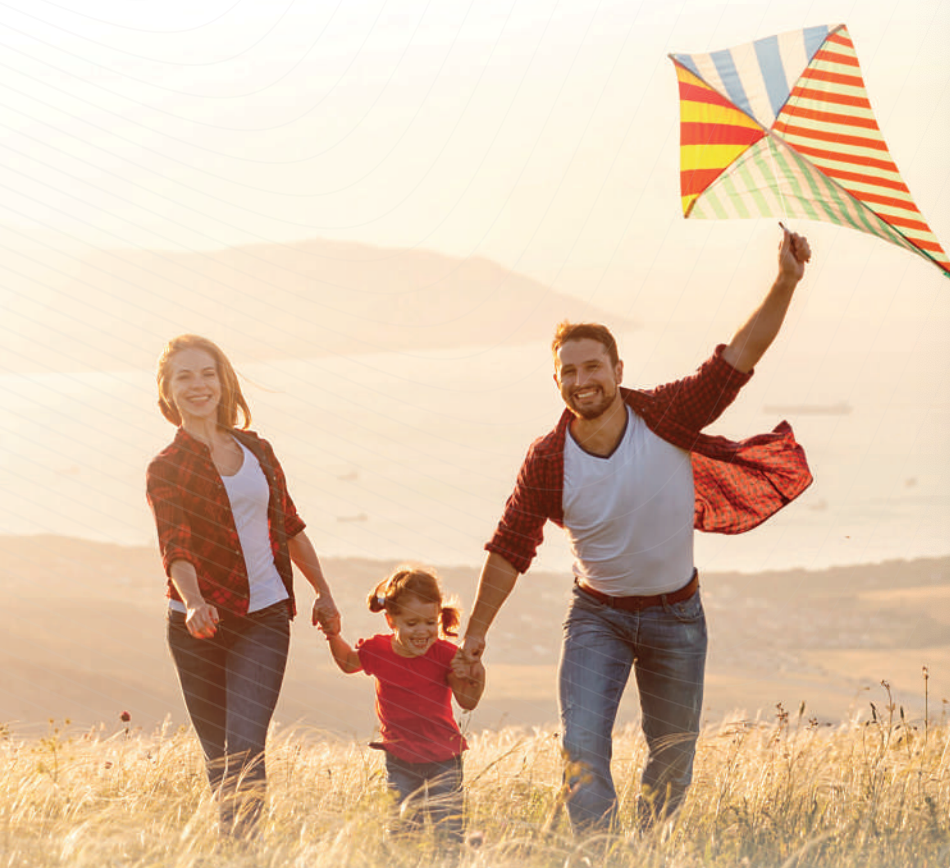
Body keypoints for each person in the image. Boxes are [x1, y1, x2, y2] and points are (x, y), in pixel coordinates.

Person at [459, 229, 814, 834]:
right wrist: (473, 640)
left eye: (592, 366)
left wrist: (785, 280)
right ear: (557, 382)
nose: (581, 380)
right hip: (596, 616)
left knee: (673, 757)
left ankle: (649, 848)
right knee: (581, 748)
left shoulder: (666, 414)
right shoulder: (548, 459)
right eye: (567, 371)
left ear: (618, 370)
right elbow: (509, 549)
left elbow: (739, 358)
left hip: (677, 616)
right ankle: (600, 851)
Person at [146, 334, 340, 839]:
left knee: (245, 745)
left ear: (222, 380)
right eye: (184, 376)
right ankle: (238, 847)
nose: (198, 385)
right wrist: (193, 603)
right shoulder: (166, 468)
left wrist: (322, 590)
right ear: (167, 391)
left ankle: (243, 851)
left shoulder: (258, 450)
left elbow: (290, 525)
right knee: (220, 759)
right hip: (197, 627)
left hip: (265, 617)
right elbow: (176, 546)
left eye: (206, 373)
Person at [324, 567, 485, 840]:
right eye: (412, 624)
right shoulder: (377, 650)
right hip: (400, 758)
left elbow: (467, 701)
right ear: (391, 621)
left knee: (448, 832)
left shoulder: (446, 654)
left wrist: (476, 672)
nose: (422, 631)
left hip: (444, 758)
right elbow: (348, 663)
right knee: (403, 831)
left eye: (431, 622)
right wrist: (333, 635)